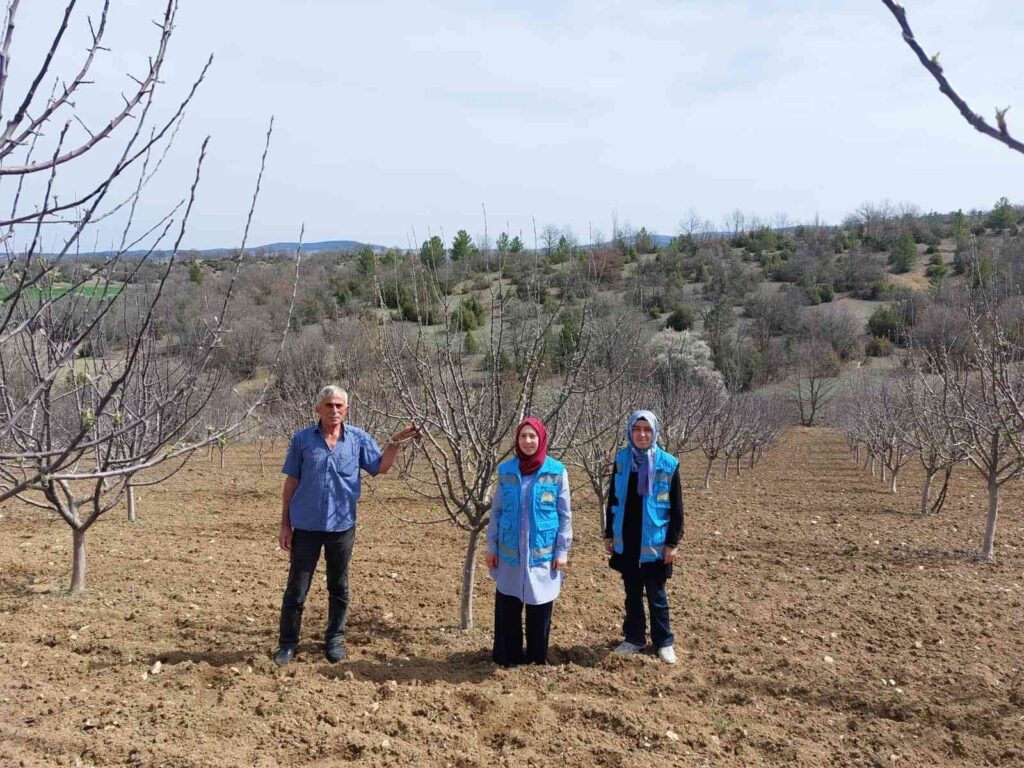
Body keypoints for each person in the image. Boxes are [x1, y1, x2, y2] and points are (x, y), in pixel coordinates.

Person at [274, 385, 418, 666]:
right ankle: (288, 644)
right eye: (329, 405)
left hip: (342, 526)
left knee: (338, 586)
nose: (334, 410)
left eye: (339, 405)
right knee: (297, 588)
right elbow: (291, 483)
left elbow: (381, 467)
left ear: (346, 410)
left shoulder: (358, 439)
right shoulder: (302, 440)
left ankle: (335, 639)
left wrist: (396, 442)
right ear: (318, 409)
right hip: (306, 527)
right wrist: (285, 524)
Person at [485, 417, 572, 667]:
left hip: (541, 555)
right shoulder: (506, 471)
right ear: (517, 440)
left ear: (541, 438)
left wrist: (562, 550)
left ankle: (536, 658)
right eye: (523, 436)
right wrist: (492, 547)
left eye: (533, 436)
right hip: (510, 552)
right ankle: (507, 658)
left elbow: (565, 514)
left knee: (540, 607)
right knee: (508, 606)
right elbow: (497, 512)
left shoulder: (557, 472)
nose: (528, 441)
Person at [603, 410, 684, 665]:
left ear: (655, 432)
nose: (641, 434)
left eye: (647, 430)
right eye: (637, 429)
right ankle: (634, 638)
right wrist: (609, 534)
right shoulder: (622, 460)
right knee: (632, 592)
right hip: (628, 539)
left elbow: (677, 507)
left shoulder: (668, 464)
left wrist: (672, 542)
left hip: (655, 540)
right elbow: (613, 499)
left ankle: (664, 642)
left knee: (657, 594)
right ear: (630, 431)